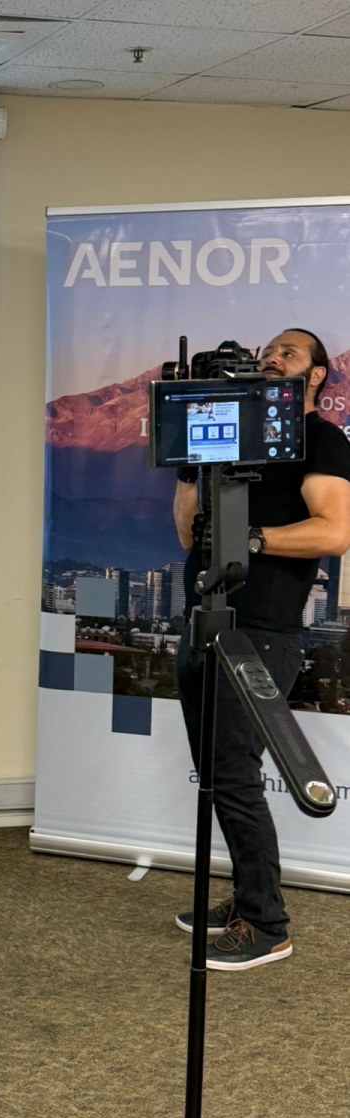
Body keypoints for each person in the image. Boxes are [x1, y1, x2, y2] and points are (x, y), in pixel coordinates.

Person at [173, 328, 350, 969]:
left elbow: (335, 531)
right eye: (268, 351)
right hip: (204, 620)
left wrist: (249, 539)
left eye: (290, 353)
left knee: (233, 776)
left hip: (262, 633)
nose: (273, 357)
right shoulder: (234, 439)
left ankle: (267, 925)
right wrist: (189, 466)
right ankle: (251, 895)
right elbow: (187, 534)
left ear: (317, 376)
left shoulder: (321, 439)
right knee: (221, 778)